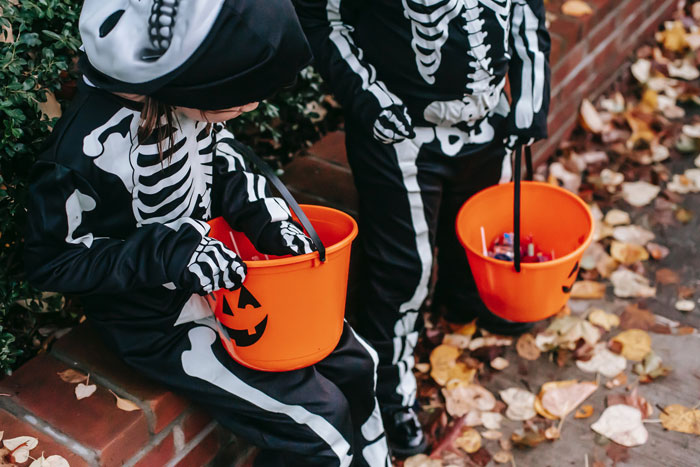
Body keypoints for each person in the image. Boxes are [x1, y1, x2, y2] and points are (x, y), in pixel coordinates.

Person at [23, 1, 391, 466]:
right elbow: (53, 262)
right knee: (319, 425)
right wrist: (168, 253)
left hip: (231, 286)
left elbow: (226, 165)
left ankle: (376, 458)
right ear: (182, 79)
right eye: (236, 95)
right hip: (162, 324)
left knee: (359, 362)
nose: (252, 106)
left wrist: (269, 220)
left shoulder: (183, 104)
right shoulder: (81, 153)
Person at [293, 0, 551, 456]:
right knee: (403, 269)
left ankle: (465, 302)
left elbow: (528, 13)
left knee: (478, 234)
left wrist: (530, 98)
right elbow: (318, 15)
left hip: (489, 121)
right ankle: (388, 391)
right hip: (402, 132)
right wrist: (368, 96)